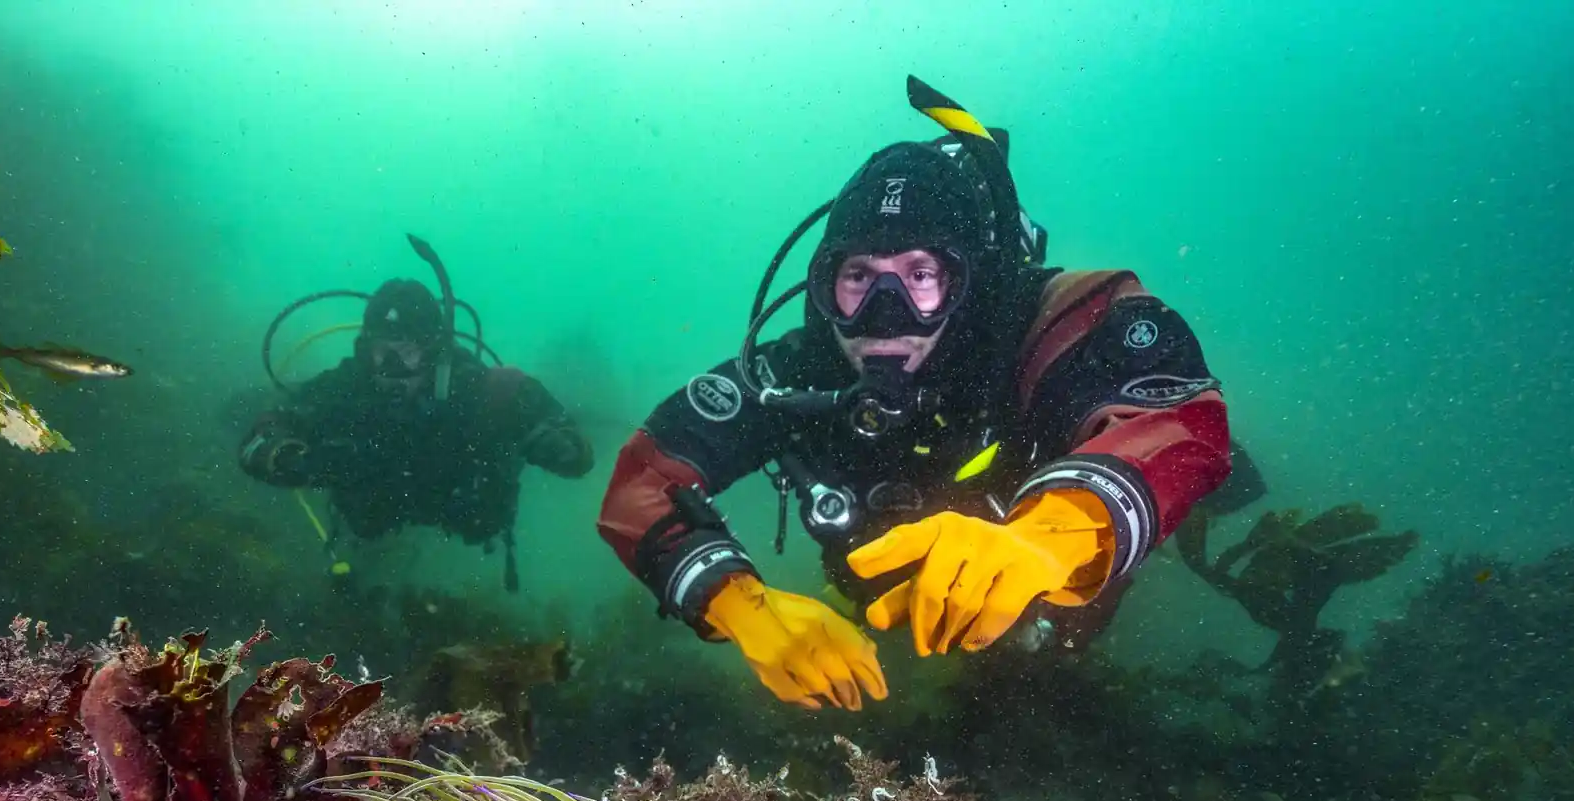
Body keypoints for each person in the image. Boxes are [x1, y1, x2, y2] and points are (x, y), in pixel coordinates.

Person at [596, 77, 1232, 710]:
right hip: (880, 606)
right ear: (823, 286)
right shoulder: (791, 372)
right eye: (859, 276)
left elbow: (1179, 419)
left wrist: (1050, 534)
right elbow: (643, 479)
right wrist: (737, 602)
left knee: (1045, 683)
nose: (884, 313)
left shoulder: (1039, 323)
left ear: (971, 282)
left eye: (921, 275)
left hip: (1050, 627)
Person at [240, 274, 593, 591]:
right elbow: (259, 440)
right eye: (382, 352)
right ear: (366, 350)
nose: (392, 368)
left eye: (407, 352)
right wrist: (296, 460)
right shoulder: (345, 388)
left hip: (463, 511)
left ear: (435, 352)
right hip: (377, 517)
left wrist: (555, 444)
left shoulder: (478, 388)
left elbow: (578, 455)